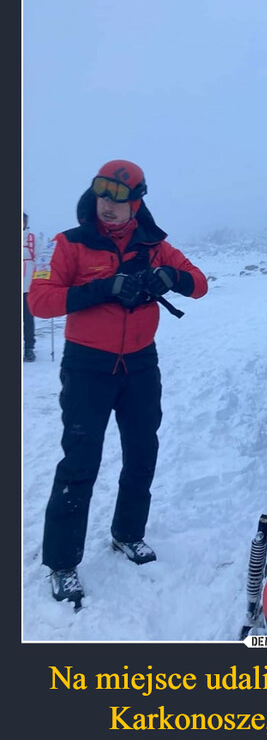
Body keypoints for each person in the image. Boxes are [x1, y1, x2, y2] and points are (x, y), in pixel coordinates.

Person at [27, 160, 208, 606]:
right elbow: (40, 302)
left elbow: (199, 285)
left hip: (141, 367)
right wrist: (107, 288)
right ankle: (62, 562)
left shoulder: (155, 243)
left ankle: (128, 534)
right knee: (80, 462)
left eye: (120, 201)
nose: (109, 207)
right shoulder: (67, 244)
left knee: (143, 451)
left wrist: (170, 276)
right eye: (104, 197)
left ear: (137, 203)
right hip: (88, 368)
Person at [23, 212, 36, 361]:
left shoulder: (32, 238)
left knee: (27, 318)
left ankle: (29, 348)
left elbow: (42, 258)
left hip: (27, 286)